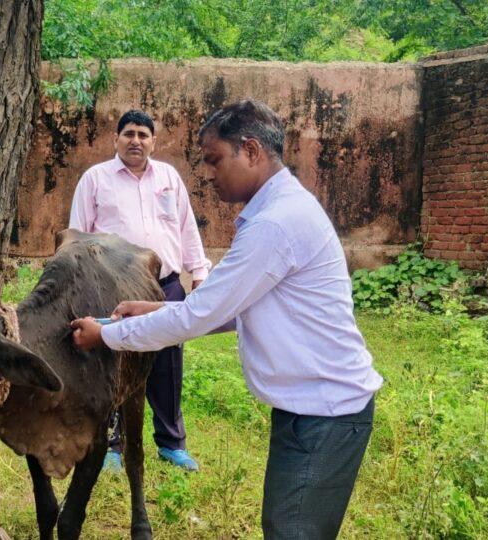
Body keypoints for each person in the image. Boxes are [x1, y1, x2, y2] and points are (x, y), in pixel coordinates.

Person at [70, 99, 382, 539]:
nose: (208, 174)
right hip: (311, 408)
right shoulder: (278, 212)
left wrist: (107, 335)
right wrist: (156, 308)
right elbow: (232, 311)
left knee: (291, 530)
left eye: (215, 160)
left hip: (325, 414)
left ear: (250, 151)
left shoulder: (275, 224)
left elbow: (199, 316)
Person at [68, 109, 212, 472]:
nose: (136, 141)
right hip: (111, 287)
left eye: (143, 135)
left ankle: (171, 443)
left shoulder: (168, 177)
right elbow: (77, 235)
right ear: (115, 139)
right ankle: (112, 445)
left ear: (153, 141)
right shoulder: (95, 179)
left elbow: (185, 226)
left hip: (164, 286)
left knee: (167, 364)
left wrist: (199, 273)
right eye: (129, 134)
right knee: (113, 362)